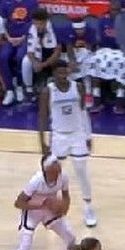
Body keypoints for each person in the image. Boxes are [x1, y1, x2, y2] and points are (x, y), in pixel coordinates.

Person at [0, 155, 78, 250]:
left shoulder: (63, 177)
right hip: (32, 211)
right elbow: (18, 203)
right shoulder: (36, 181)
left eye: (58, 163)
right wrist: (41, 204)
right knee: (25, 248)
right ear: (47, 169)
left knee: (70, 238)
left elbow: (66, 196)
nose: (59, 166)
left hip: (49, 211)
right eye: (55, 164)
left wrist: (64, 209)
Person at [40, 62, 96, 226]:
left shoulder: (78, 87)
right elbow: (42, 117)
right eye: (59, 72)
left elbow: (84, 112)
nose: (63, 75)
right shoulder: (48, 91)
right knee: (53, 172)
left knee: (81, 170)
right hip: (58, 136)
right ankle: (51, 206)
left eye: (65, 72)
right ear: (54, 74)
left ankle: (88, 207)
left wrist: (88, 135)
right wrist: (42, 141)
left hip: (77, 134)